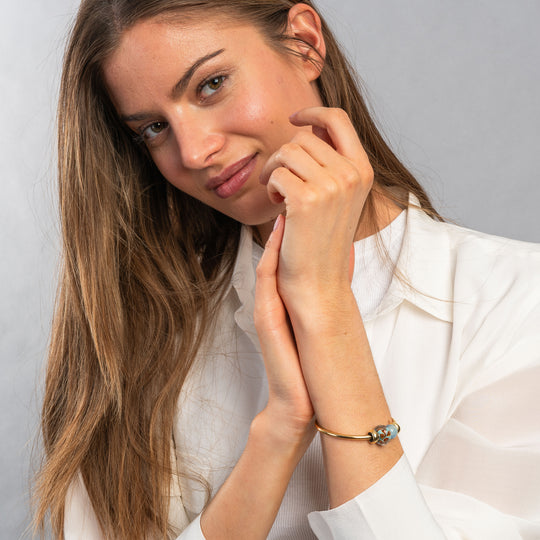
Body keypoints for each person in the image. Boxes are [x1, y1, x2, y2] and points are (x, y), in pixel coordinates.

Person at [34, 0, 540, 539]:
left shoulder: (518, 302)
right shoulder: (139, 344)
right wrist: (278, 433)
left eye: (210, 85)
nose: (195, 151)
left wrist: (323, 307)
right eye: (154, 128)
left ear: (304, 42)